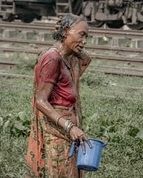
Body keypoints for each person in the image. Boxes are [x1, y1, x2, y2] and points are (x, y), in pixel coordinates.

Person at [25, 14, 92, 178]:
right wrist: (69, 126)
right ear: (66, 31)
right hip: (58, 133)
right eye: (82, 35)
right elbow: (41, 101)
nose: (84, 42)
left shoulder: (68, 58)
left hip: (68, 132)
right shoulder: (53, 59)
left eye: (86, 37)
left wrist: (71, 43)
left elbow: (86, 59)